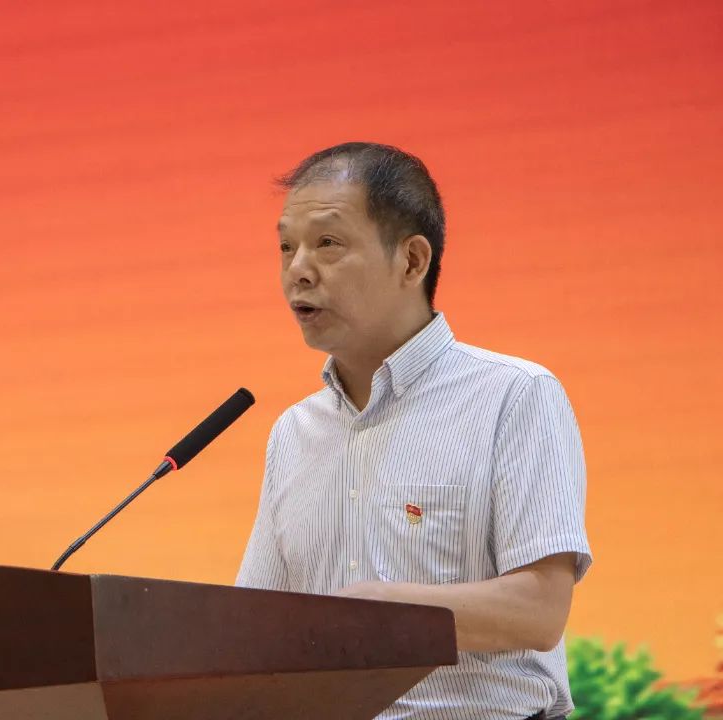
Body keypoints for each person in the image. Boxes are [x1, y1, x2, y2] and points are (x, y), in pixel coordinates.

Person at [236, 142, 592, 720]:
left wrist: (385, 611)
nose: (298, 268)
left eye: (327, 243)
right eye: (285, 246)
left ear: (412, 261)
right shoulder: (294, 432)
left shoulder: (513, 395)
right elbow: (254, 623)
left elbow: (539, 611)